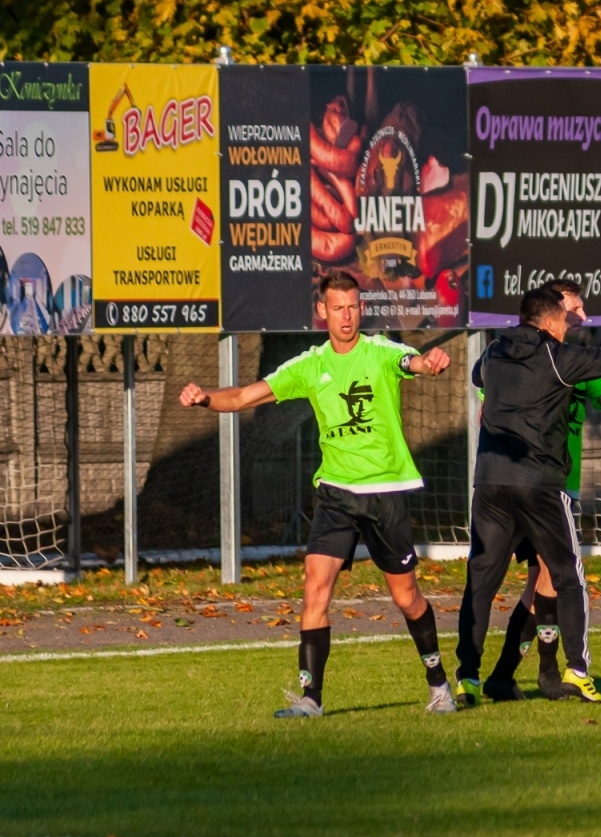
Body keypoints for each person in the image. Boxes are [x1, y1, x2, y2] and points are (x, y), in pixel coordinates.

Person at [178, 269, 455, 717]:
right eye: (337, 308)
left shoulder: (380, 352)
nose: (346, 317)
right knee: (314, 588)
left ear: (361, 309)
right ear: (322, 311)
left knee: (407, 598)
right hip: (336, 495)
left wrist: (430, 362)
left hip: (385, 492)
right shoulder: (309, 365)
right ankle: (310, 699)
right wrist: (206, 398)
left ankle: (439, 684)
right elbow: (248, 395)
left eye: (353, 308)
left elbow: (412, 362)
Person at [455, 270, 601, 705]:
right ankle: (577, 671)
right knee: (569, 577)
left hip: (489, 482)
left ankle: (469, 677)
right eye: (567, 315)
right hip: (541, 485)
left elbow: (478, 379)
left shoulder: (491, 355)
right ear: (548, 321)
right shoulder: (559, 360)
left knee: (481, 583)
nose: (571, 321)